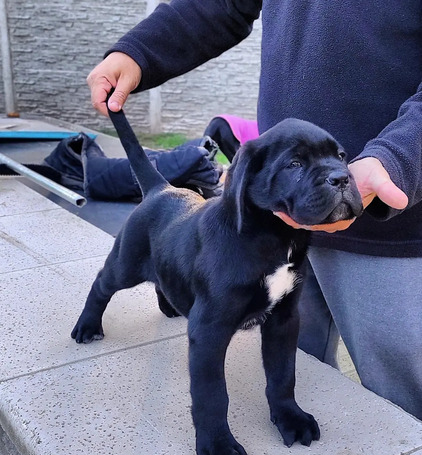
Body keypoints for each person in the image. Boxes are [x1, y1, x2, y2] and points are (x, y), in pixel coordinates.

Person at [86, 1, 422, 419]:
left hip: (393, 221)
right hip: (274, 220)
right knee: (309, 369)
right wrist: (140, 50)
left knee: (405, 408)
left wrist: (398, 158)